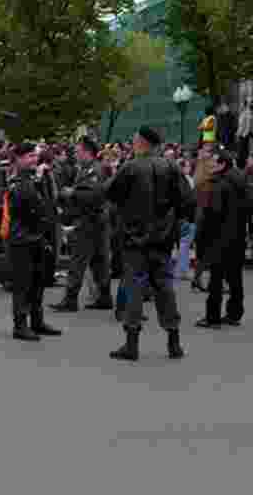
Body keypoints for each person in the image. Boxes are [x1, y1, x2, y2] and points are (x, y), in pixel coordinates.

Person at [105, 127, 192, 361]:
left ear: (141, 143)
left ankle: (131, 343)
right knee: (165, 287)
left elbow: (110, 193)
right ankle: (174, 341)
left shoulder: (131, 167)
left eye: (135, 140)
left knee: (134, 287)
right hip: (162, 239)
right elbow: (186, 200)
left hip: (135, 239)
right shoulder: (171, 167)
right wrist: (173, 224)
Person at [50, 136, 113, 313]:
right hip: (94, 221)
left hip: (90, 221)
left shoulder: (95, 170)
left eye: (78, 151)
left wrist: (72, 193)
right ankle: (104, 297)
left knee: (78, 261)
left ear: (87, 152)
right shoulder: (87, 169)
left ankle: (70, 299)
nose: (76, 155)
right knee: (99, 262)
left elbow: (95, 196)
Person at [6, 142, 62, 341]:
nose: (33, 159)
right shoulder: (18, 182)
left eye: (34, 156)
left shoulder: (33, 179)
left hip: (36, 237)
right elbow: (30, 210)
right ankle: (20, 325)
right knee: (23, 285)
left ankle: (37, 321)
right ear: (19, 159)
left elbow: (46, 203)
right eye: (29, 156)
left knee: (38, 282)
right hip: (22, 239)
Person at [194, 147, 248, 328]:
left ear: (222, 164)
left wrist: (203, 237)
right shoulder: (241, 180)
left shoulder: (219, 184)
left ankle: (212, 317)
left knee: (216, 278)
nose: (210, 164)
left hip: (219, 237)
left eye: (213, 161)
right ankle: (234, 314)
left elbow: (213, 214)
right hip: (238, 236)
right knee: (235, 278)